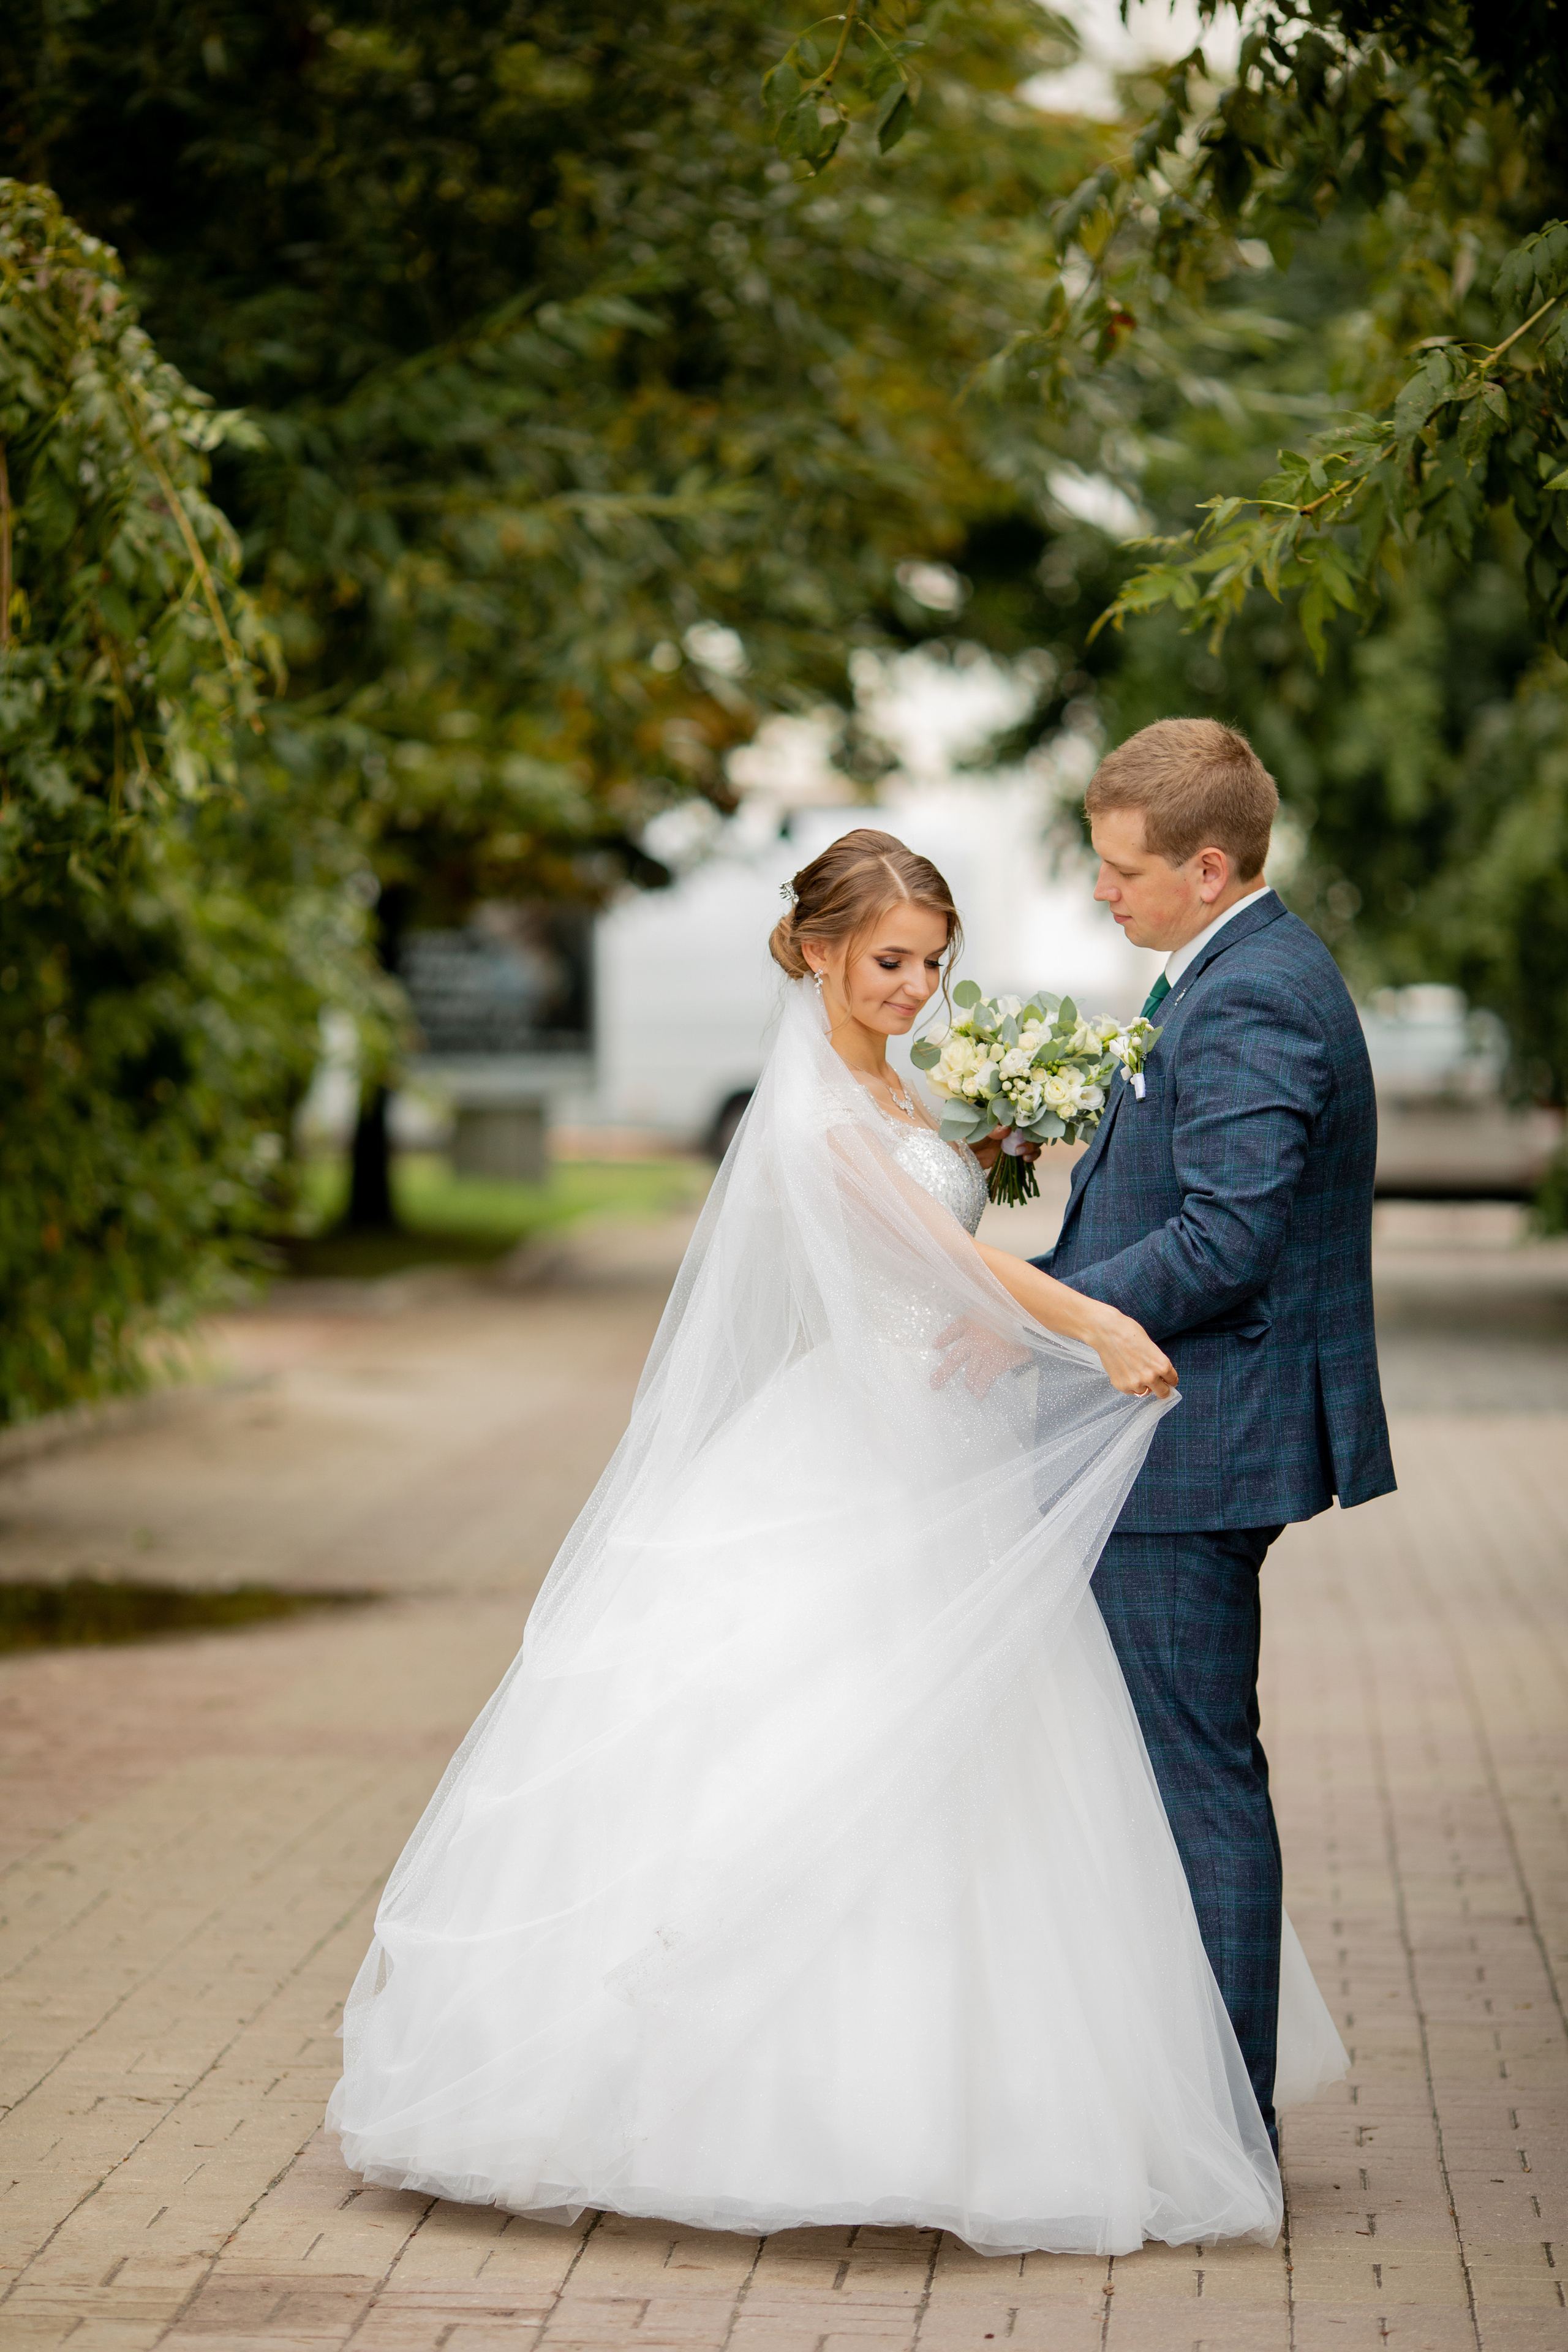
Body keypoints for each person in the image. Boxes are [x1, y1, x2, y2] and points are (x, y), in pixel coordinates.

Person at [328, 828, 1344, 2258]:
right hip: (846, 1453)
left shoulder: (899, 1083)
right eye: (887, 961)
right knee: (804, 1750)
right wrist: (1096, 1317)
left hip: (936, 1445)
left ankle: (1003, 2101)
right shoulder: (807, 1112)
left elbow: (943, 1239)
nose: (915, 988)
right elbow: (938, 1262)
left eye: (933, 962)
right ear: (813, 949)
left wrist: (989, 1157)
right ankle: (743, 2106)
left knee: (1002, 1760)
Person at [1028, 720, 1395, 2154]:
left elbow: (1221, 1242)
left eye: (1120, 871)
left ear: (1205, 862)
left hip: (1193, 1449)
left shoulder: (1251, 999)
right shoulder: (1229, 974)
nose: (1101, 893)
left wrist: (1028, 1308)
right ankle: (1174, 2096)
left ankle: (1214, 2124)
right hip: (1186, 1435)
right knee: (1169, 1769)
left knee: (1191, 1780)